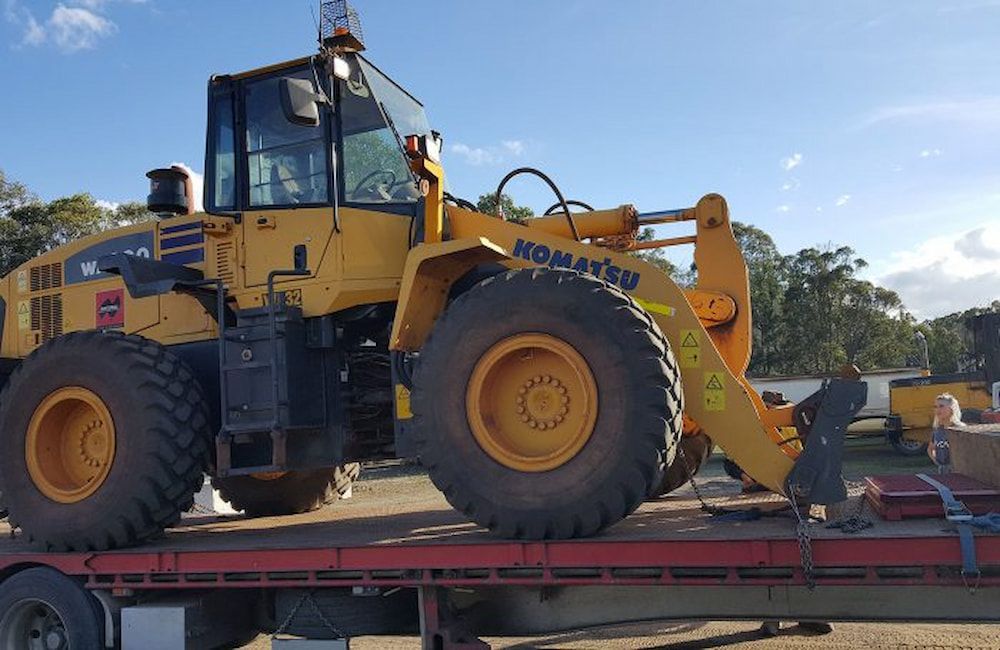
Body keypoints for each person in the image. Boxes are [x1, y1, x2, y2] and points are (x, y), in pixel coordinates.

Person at [928, 392, 964, 473]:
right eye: (935, 407)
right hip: (942, 471)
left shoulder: (960, 430)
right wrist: (938, 463)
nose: (937, 410)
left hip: (958, 471)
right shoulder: (937, 430)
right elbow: (930, 449)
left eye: (941, 406)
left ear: (951, 409)